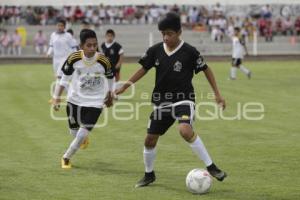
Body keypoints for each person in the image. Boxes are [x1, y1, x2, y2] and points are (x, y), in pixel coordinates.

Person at [115, 12, 227, 187]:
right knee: (149, 140)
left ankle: (211, 166)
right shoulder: (155, 50)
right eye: (163, 34)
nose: (166, 37)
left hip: (184, 100)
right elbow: (143, 69)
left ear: (179, 32)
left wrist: (217, 93)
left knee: (185, 130)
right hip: (162, 102)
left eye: (169, 34)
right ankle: (149, 174)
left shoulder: (189, 51)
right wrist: (125, 86)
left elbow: (206, 69)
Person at [51, 29, 114, 169]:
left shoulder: (103, 60)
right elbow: (64, 79)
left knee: (81, 133)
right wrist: (56, 98)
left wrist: (111, 94)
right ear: (81, 46)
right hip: (74, 99)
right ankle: (81, 139)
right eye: (89, 45)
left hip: (96, 101)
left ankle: (66, 157)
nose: (92, 48)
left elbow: (111, 78)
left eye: (95, 45)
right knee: (73, 131)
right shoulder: (74, 58)